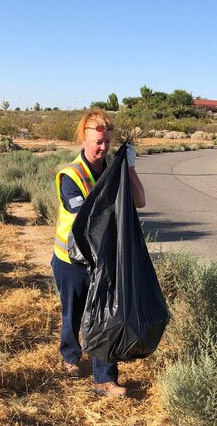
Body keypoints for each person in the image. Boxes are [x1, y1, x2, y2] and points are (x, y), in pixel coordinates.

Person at [51, 109, 146, 397]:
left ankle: (104, 380)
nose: (102, 148)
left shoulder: (113, 170)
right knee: (73, 313)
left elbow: (140, 201)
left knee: (104, 317)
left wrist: (128, 168)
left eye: (107, 142)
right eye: (97, 142)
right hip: (71, 261)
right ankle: (70, 355)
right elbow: (88, 220)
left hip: (103, 262)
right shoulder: (71, 176)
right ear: (84, 138)